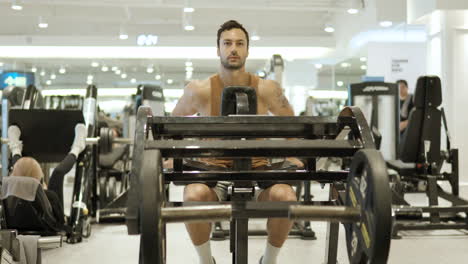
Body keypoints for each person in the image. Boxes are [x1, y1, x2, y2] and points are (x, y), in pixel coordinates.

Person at [171, 20, 303, 264]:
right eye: (227, 43)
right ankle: (206, 261)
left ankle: (269, 261)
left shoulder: (267, 89)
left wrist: (295, 156)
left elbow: (293, 127)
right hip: (213, 173)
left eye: (239, 44)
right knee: (193, 195)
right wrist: (169, 158)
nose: (233, 49)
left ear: (247, 50)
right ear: (218, 49)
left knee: (287, 196)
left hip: (257, 171)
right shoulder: (198, 90)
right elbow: (170, 127)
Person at [7, 123, 87, 228]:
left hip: (18, 227)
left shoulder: (9, 198)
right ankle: (77, 148)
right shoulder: (50, 196)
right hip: (48, 228)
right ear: (40, 180)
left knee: (21, 171)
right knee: (57, 174)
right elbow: (60, 221)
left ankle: (15, 149)